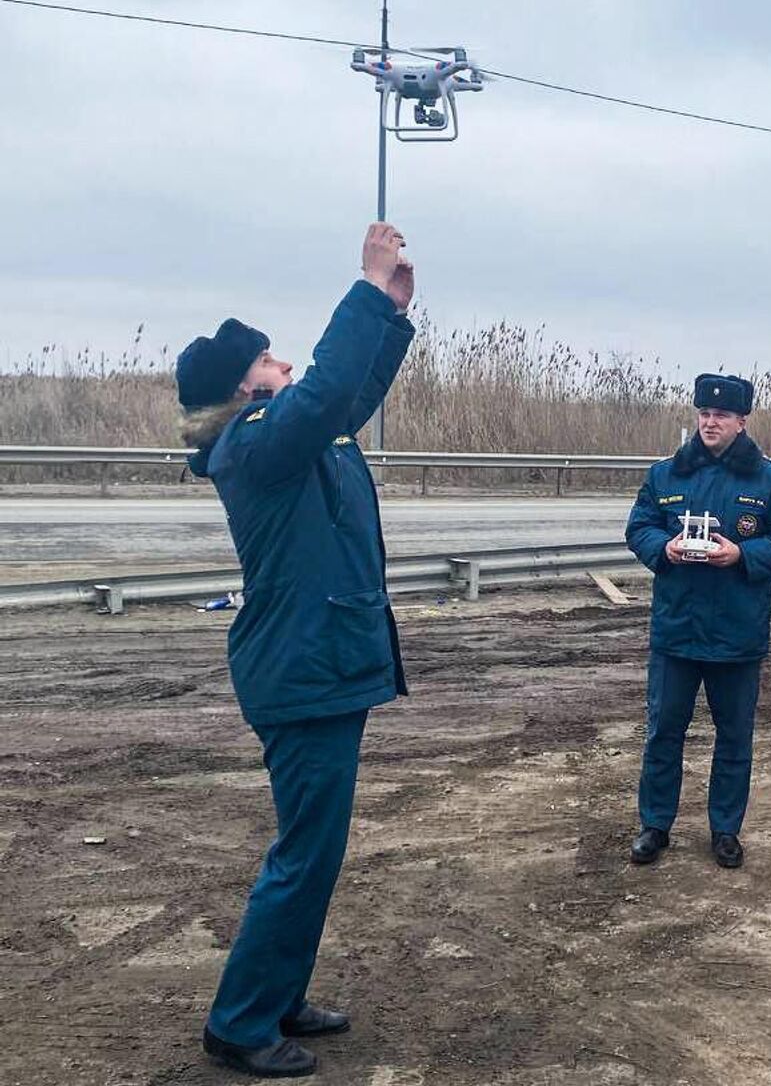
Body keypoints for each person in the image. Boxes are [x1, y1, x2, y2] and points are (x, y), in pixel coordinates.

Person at [176, 223, 415, 1079]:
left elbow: (341, 401)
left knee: (316, 851)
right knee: (304, 852)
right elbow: (320, 399)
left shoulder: (283, 434)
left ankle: (278, 997)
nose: (284, 366)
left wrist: (387, 318)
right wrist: (362, 287)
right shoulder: (254, 445)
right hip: (301, 671)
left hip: (321, 665)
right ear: (245, 386)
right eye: (272, 359)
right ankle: (239, 1022)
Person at [624, 374, 771, 869]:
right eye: (704, 414)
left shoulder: (770, 479)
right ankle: (655, 825)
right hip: (677, 631)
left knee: (734, 738)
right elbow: (638, 527)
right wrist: (661, 548)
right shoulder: (667, 474)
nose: (711, 422)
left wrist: (742, 555)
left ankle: (725, 830)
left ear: (741, 421)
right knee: (663, 731)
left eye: (722, 415)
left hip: (736, 633)